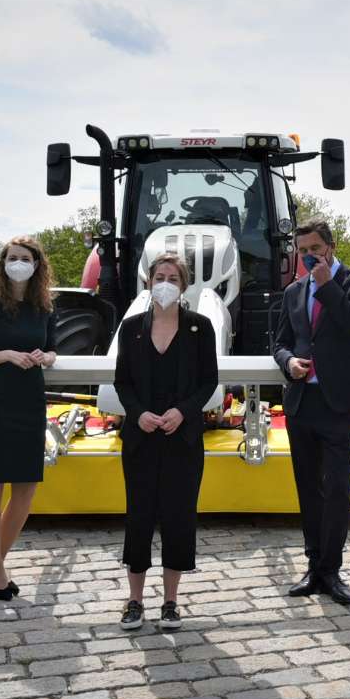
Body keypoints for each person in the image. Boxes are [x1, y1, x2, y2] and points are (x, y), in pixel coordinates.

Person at [272, 218, 350, 605]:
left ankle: (332, 570)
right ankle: (313, 567)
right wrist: (288, 363)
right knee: (308, 489)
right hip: (302, 403)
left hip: (339, 404)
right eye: (302, 251)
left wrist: (326, 285)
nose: (308, 256)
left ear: (330, 246)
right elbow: (280, 341)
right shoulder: (293, 290)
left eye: (314, 248)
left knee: (337, 487)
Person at [113, 253, 217, 631]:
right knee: (138, 517)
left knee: (178, 517)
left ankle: (171, 601)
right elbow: (122, 381)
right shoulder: (131, 328)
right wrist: (137, 412)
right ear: (148, 281)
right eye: (160, 276)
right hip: (140, 438)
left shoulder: (200, 328)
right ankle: (135, 600)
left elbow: (208, 381)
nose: (166, 282)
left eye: (173, 277)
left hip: (182, 439)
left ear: (184, 284)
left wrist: (184, 412)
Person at [0, 236, 58, 601]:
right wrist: (5, 354)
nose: (18, 262)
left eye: (25, 258)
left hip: (30, 401)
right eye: (12, 257)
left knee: (26, 489)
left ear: (37, 265)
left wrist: (46, 358)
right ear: (3, 263)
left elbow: (52, 347)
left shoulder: (45, 306)